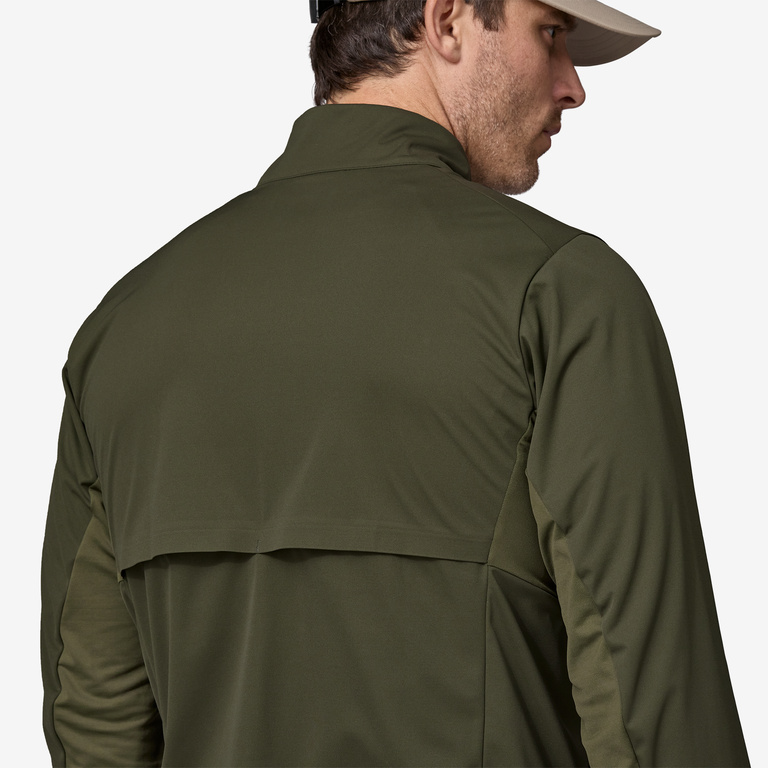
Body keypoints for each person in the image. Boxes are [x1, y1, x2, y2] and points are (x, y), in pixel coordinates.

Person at [40, 0, 750, 765]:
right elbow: (654, 720)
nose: (572, 86)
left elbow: (94, 723)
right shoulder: (560, 296)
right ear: (446, 22)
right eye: (550, 34)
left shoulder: (121, 331)